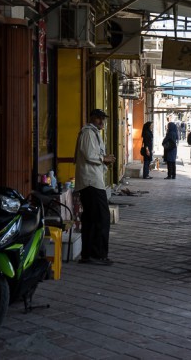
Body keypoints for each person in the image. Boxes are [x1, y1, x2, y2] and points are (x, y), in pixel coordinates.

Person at [74, 109, 116, 265]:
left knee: (93, 218)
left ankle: (89, 255)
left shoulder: (93, 133)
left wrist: (105, 159)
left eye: (102, 119)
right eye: (98, 118)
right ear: (91, 118)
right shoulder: (88, 133)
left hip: (93, 180)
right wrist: (104, 158)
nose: (101, 121)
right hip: (90, 181)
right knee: (101, 218)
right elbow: (89, 154)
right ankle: (96, 255)